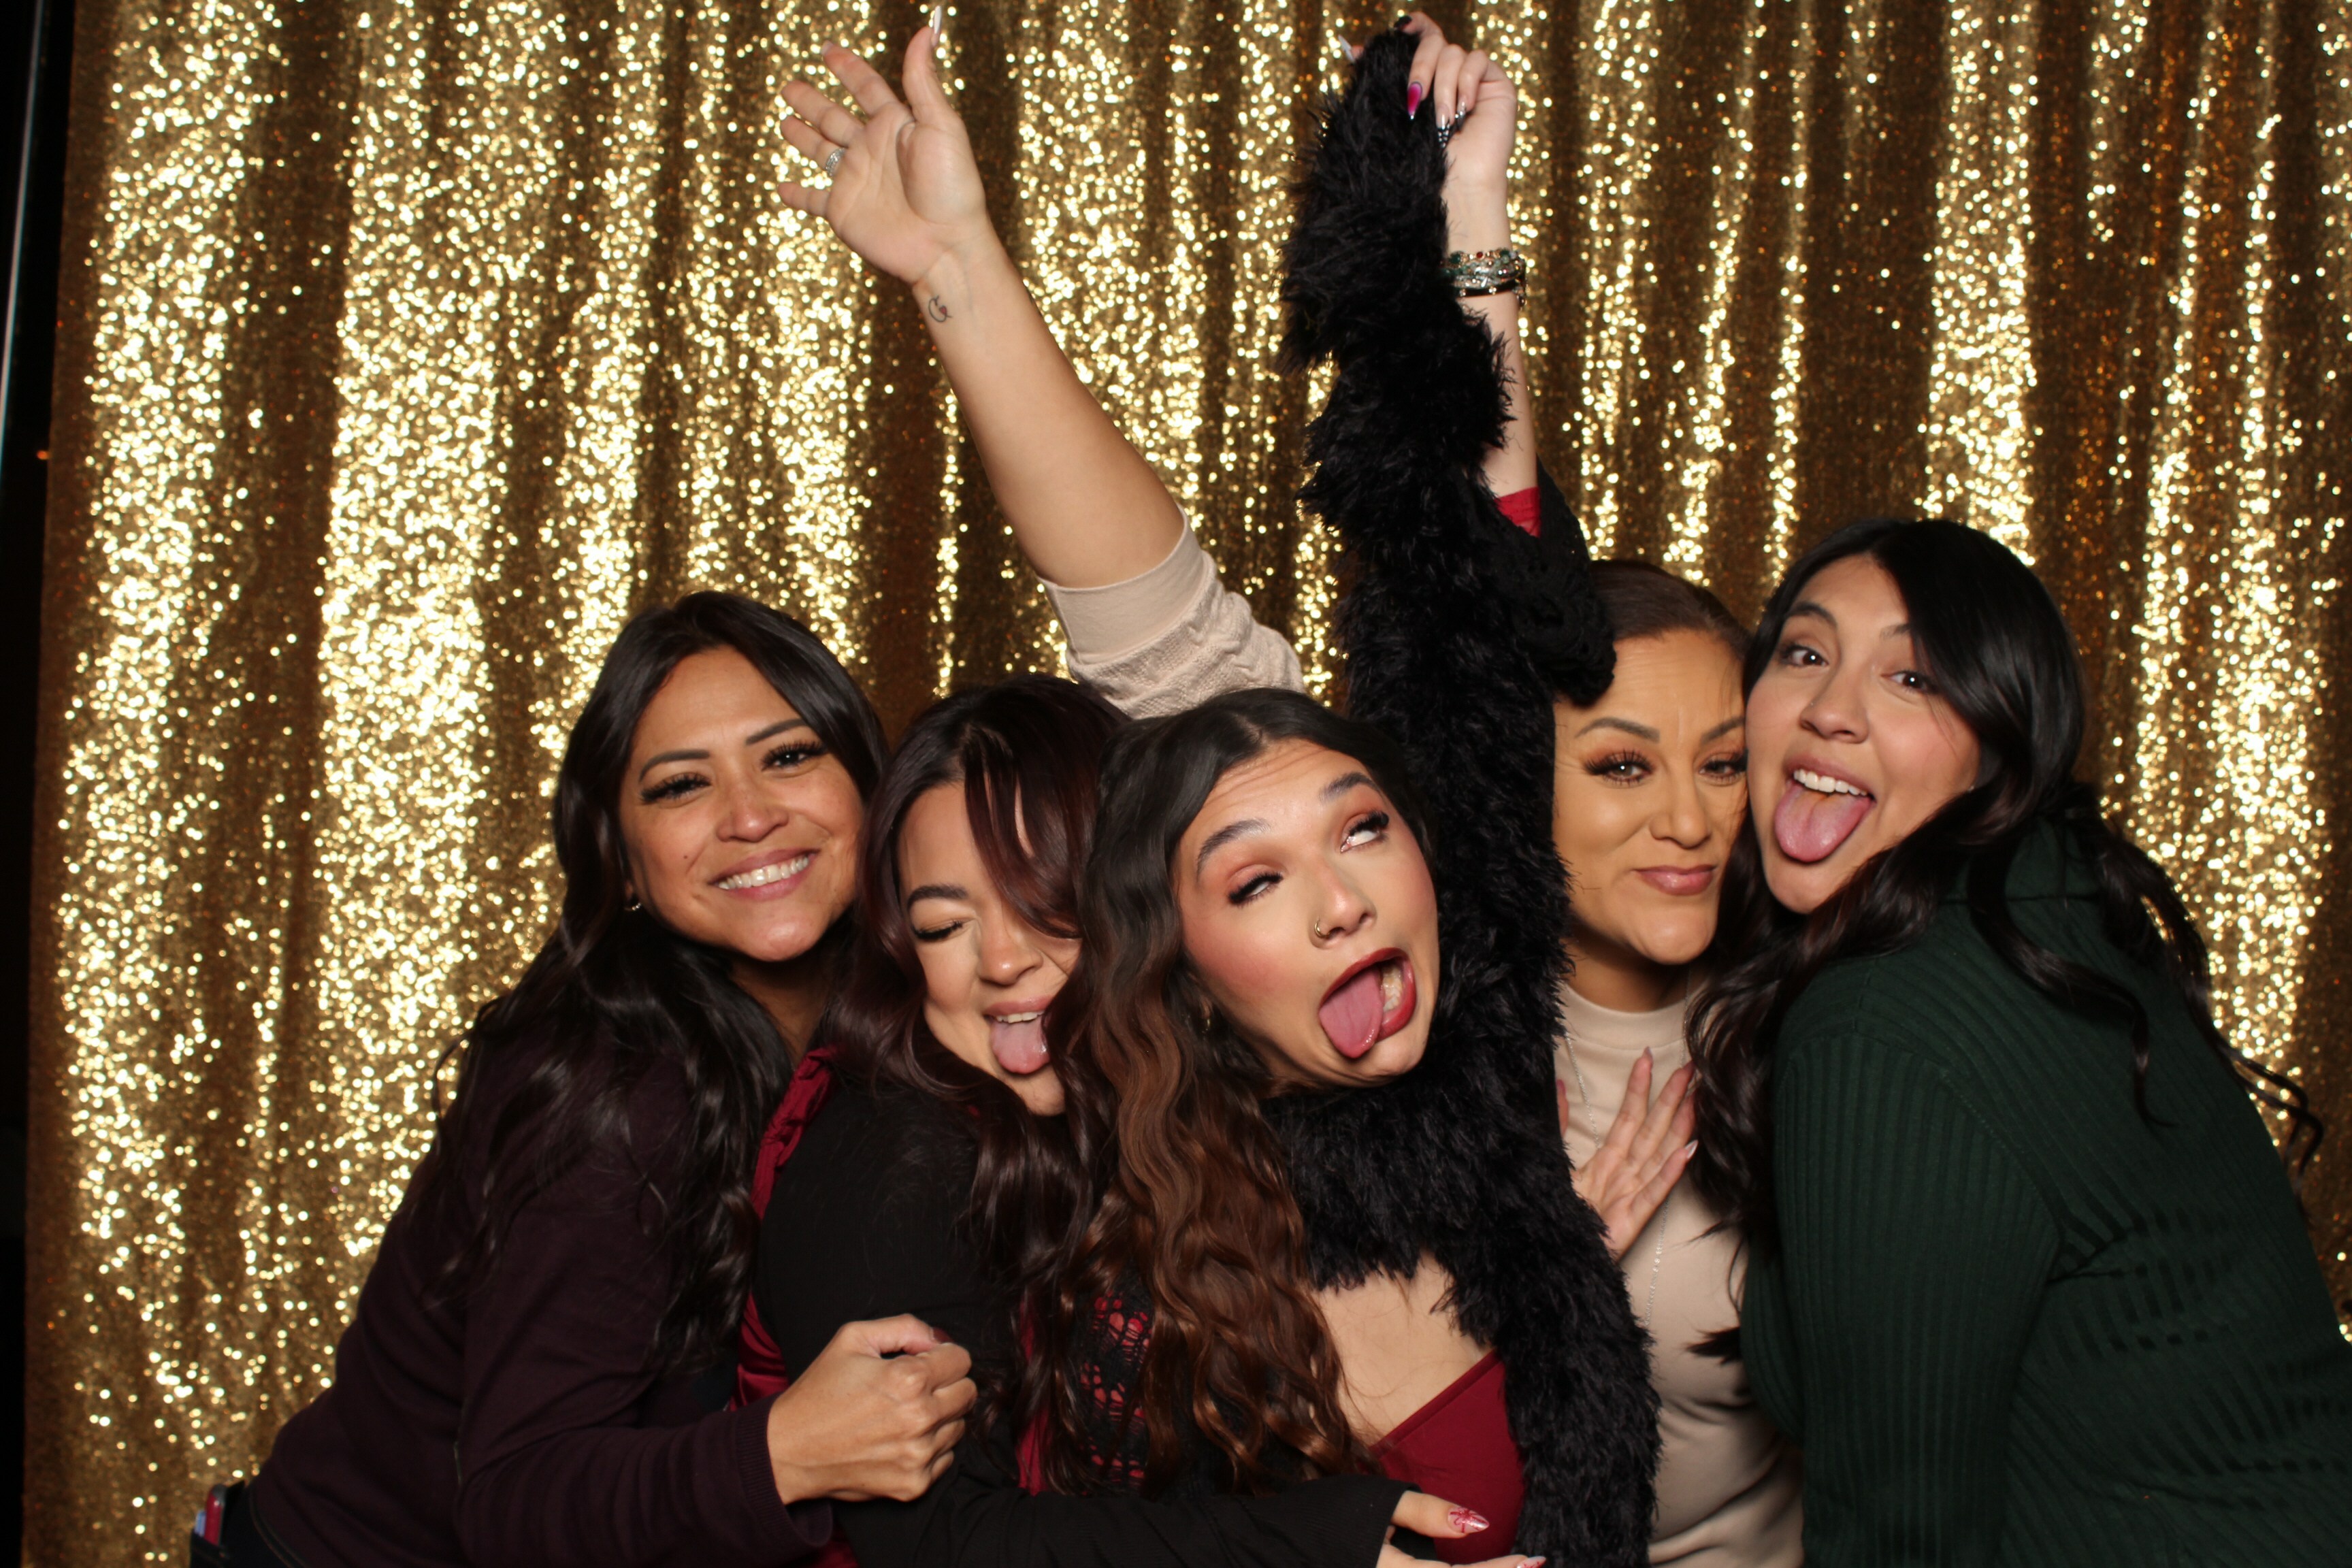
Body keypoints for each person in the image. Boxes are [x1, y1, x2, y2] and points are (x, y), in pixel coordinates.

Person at [781, 20, 1656, 1561]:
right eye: (1253, 878)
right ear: (1168, 954)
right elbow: (1144, 608)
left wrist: (1471, 231)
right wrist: (958, 274)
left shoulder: (1485, 1068)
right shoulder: (1119, 1236)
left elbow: (1472, 601)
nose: (1339, 900)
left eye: (1365, 832)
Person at [201, 595, 977, 1568]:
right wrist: (787, 1452)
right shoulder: (613, 1094)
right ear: (624, 861)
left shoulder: (916, 1018)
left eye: (788, 756)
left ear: (873, 789)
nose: (749, 816)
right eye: (680, 786)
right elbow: (514, 1503)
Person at [744, 676, 1522, 1568]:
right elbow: (945, 1546)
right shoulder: (890, 1158)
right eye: (945, 926)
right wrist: (1313, 1546)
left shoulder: (1165, 1105)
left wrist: (1521, 1247)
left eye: (1049, 906)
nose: (1001, 961)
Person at [1699, 518, 2352, 1563]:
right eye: (1805, 653)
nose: (1831, 711)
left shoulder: (1885, 1024)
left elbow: (1902, 1541)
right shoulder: (2054, 901)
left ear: (1998, 742)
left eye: (1913, 679)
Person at [1546, 562, 1803, 1567]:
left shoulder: (1818, 1035)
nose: (1691, 824)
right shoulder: (1418, 1052)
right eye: (1624, 766)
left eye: (1724, 764)